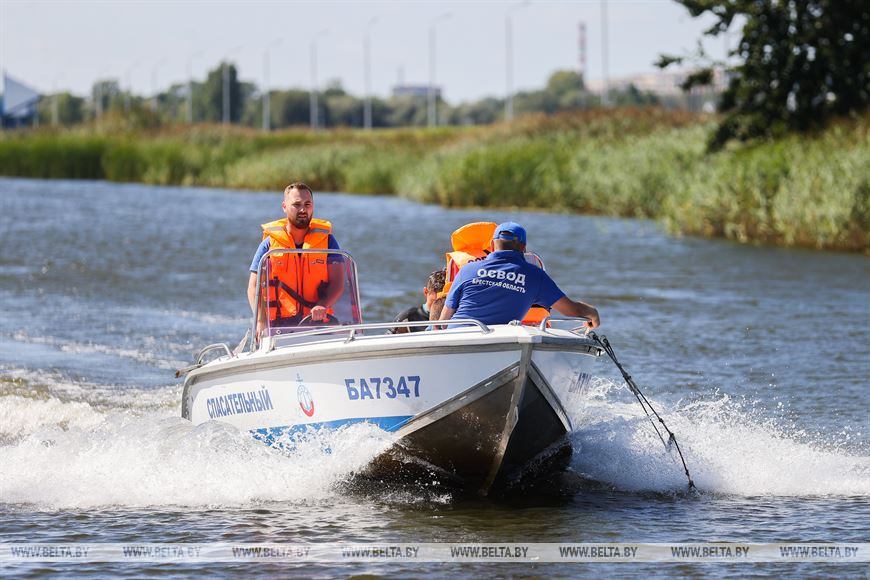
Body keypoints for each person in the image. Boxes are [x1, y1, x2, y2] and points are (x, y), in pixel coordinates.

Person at [438, 221, 600, 329]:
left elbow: (443, 321)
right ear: (523, 248)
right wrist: (592, 311)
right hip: (501, 343)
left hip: (458, 336)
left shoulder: (467, 270)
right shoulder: (535, 276)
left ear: (493, 245)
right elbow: (570, 310)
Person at [247, 182, 344, 333]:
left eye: (307, 204)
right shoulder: (268, 246)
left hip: (317, 324)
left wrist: (322, 305)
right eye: (297, 204)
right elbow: (253, 287)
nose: (303, 209)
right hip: (278, 328)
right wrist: (260, 321)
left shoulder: (328, 242)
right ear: (284, 206)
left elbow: (338, 284)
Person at [389, 269, 445, 333]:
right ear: (425, 292)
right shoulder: (408, 317)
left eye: (444, 301)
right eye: (435, 301)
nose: (439, 305)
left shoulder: (454, 317)